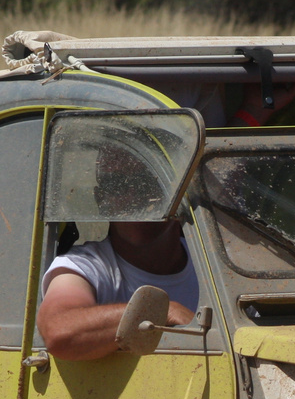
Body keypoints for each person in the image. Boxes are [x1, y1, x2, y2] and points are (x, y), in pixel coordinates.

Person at [37, 148, 200, 361]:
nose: (131, 197)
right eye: (117, 185)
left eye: (145, 183)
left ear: (177, 194)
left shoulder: (210, 263)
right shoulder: (84, 266)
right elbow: (60, 332)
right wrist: (162, 311)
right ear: (100, 198)